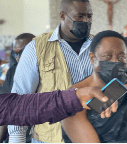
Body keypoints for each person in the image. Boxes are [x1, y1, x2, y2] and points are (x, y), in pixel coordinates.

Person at [8, 0, 117, 143]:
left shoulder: (99, 47)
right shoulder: (37, 48)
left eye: (89, 16)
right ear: (63, 16)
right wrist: (17, 139)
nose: (86, 21)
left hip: (91, 136)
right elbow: (20, 101)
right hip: (50, 139)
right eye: (80, 16)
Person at [62, 30, 127, 143]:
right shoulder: (75, 96)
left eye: (121, 57)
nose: (115, 62)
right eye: (107, 57)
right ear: (93, 58)